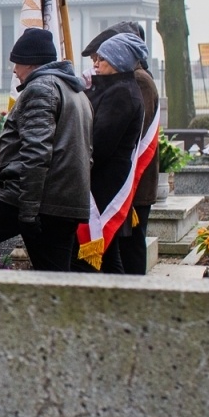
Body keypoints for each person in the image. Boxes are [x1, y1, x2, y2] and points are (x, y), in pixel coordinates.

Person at [0, 28, 91, 271]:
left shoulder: (41, 89)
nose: (14, 70)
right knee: (56, 275)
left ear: (31, 62)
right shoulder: (77, 93)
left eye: (17, 62)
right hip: (65, 199)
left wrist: (28, 211)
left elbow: (36, 154)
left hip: (35, 197)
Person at [82, 22, 159, 275]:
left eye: (100, 58)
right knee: (116, 252)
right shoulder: (120, 84)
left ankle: (132, 292)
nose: (95, 63)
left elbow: (125, 136)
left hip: (130, 183)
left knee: (129, 248)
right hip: (122, 180)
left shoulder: (134, 84)